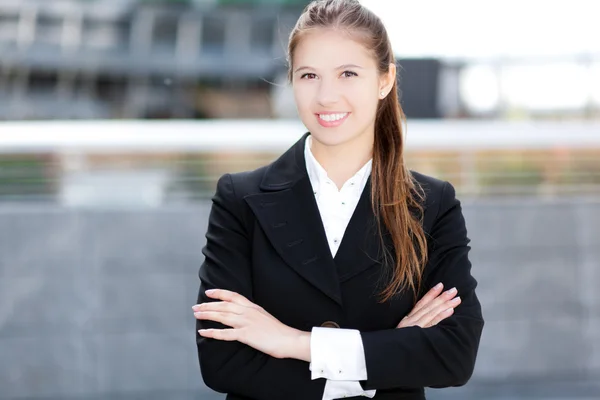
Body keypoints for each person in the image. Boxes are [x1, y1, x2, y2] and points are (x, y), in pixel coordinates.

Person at [192, 0, 484, 399]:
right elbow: (222, 361)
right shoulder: (240, 199)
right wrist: (380, 361)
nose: (326, 96)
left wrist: (292, 342)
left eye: (348, 73)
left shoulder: (431, 204)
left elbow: (454, 354)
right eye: (309, 75)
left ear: (384, 80)